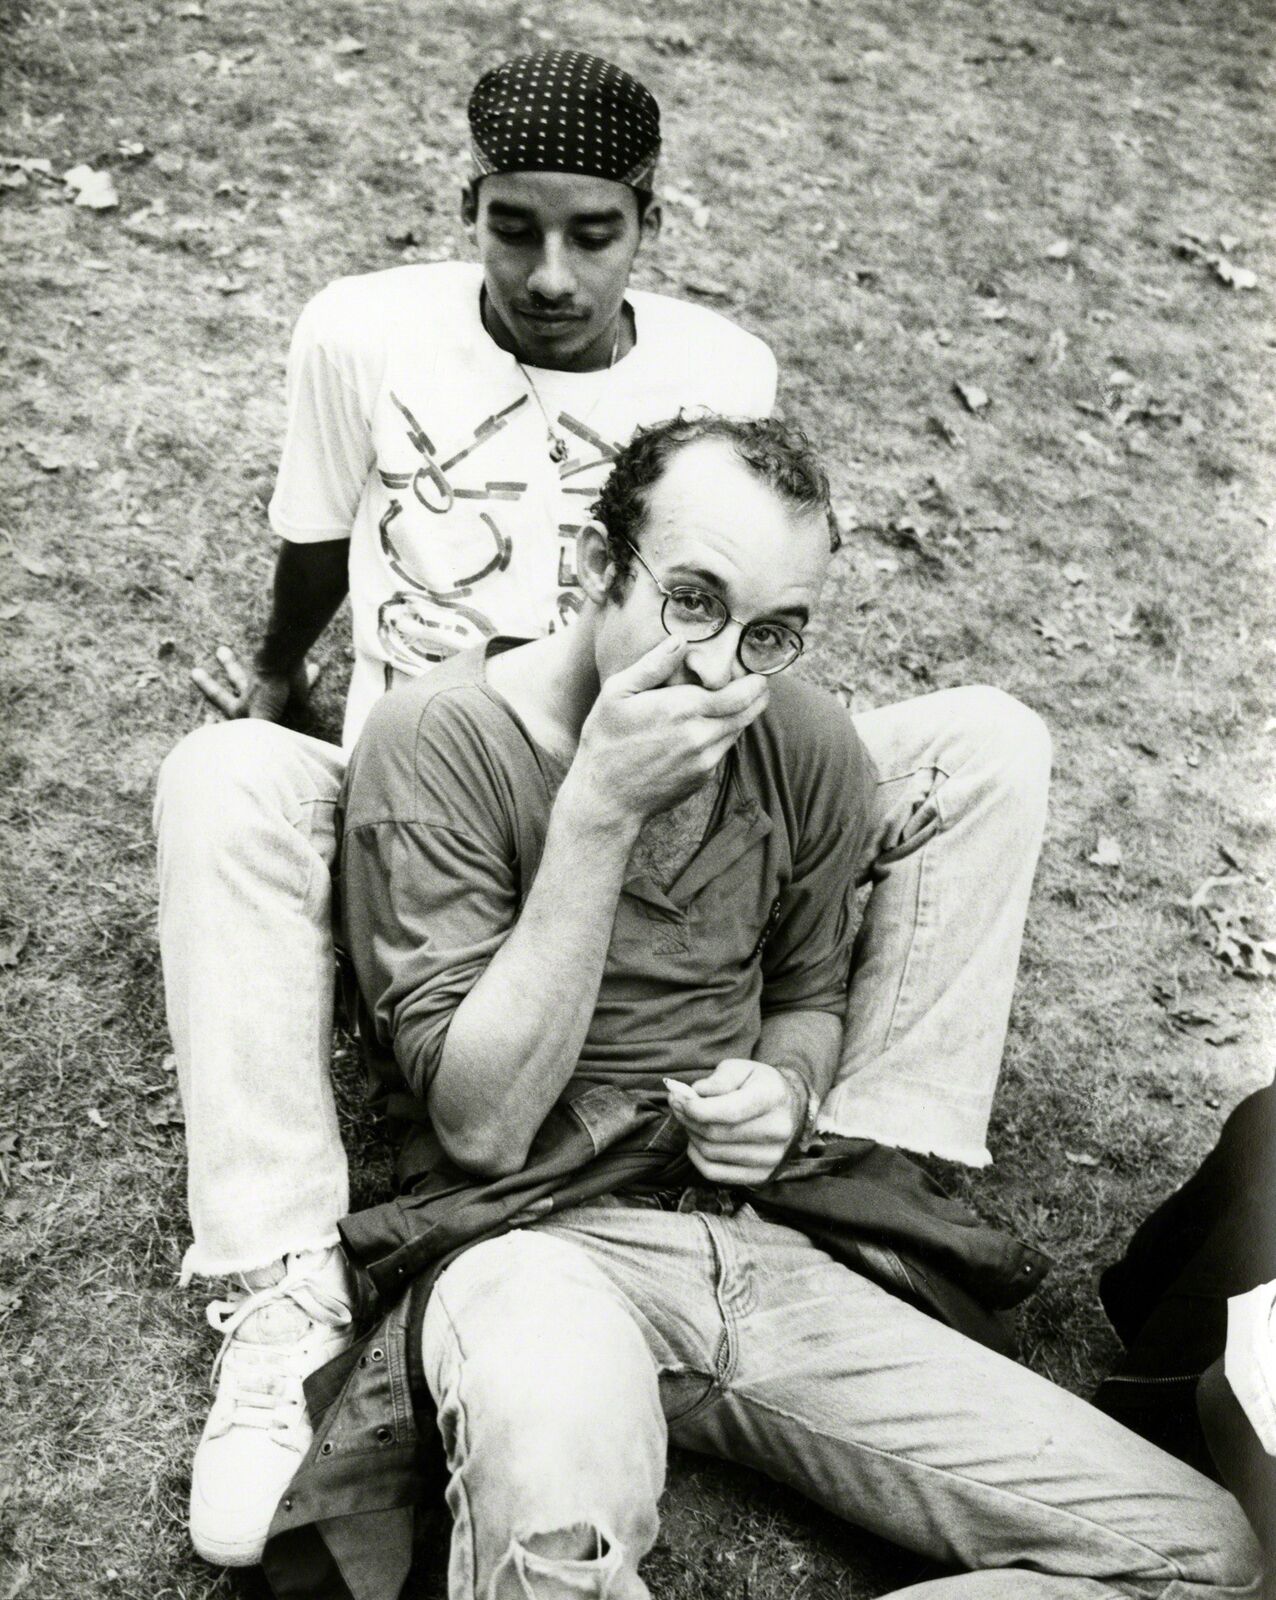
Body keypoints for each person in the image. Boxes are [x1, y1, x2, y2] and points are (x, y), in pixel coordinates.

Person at [153, 48, 1050, 1567]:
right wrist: (274, 685)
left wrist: (785, 1032)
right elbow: (312, 539)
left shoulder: (724, 367)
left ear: (649, 222)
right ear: (470, 210)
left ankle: (865, 1187)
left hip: (651, 723)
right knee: (223, 779)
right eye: (514, 228)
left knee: (986, 743)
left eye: (594, 232)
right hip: (424, 763)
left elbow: (729, 588)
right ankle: (279, 1284)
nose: (551, 271)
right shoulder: (358, 331)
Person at [330, 411, 1260, 1599]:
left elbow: (810, 991)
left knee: (1208, 1555)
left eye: (771, 631)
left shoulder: (806, 738)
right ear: (593, 568)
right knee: (555, 1546)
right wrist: (600, 810)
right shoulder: (441, 739)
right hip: (532, 1246)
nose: (723, 667)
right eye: (691, 601)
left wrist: (788, 1085)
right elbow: (477, 1129)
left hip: (765, 1244)